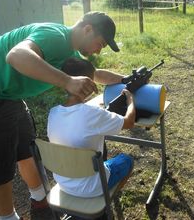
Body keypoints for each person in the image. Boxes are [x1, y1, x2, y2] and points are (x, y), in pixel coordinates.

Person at [0, 11, 125, 220]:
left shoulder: (69, 51)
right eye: (101, 43)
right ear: (87, 29)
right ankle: (8, 218)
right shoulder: (54, 35)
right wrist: (67, 81)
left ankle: (40, 203)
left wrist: (126, 79)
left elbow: (95, 75)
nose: (98, 49)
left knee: (26, 150)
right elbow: (16, 56)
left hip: (9, 96)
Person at [47, 58, 135, 198]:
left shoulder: (53, 113)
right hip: (94, 187)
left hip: (64, 183)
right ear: (88, 83)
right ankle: (107, 200)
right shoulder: (93, 114)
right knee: (127, 160)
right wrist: (131, 101)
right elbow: (129, 122)